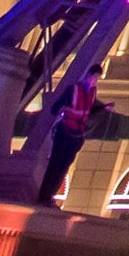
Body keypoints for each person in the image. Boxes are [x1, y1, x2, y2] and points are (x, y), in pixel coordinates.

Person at [39, 64, 100, 204]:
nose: (94, 81)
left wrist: (104, 107)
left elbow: (89, 110)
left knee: (64, 166)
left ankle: (50, 195)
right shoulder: (73, 90)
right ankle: (44, 195)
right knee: (55, 163)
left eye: (97, 79)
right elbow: (55, 107)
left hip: (76, 135)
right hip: (65, 132)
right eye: (94, 77)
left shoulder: (92, 93)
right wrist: (63, 111)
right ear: (88, 75)